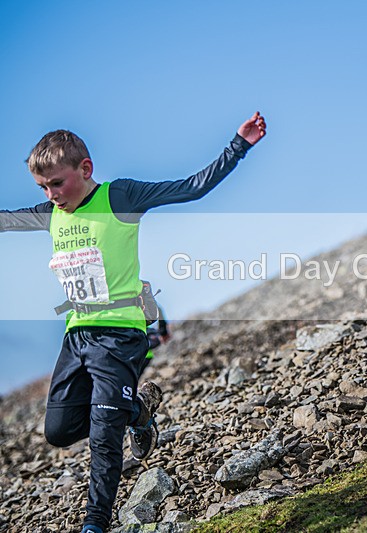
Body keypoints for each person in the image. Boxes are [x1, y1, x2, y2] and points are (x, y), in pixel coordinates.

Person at [0, 112, 266, 533]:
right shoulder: (49, 214)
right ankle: (138, 410)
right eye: (43, 187)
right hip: (76, 335)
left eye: (57, 183)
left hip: (120, 333)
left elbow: (191, 187)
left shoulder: (119, 197)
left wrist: (238, 145)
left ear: (85, 169)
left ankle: (95, 524)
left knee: (105, 435)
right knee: (58, 431)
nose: (51, 194)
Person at [141, 305, 170, 375]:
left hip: (123, 349)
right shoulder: (138, 296)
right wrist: (163, 332)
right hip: (143, 351)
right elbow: (157, 309)